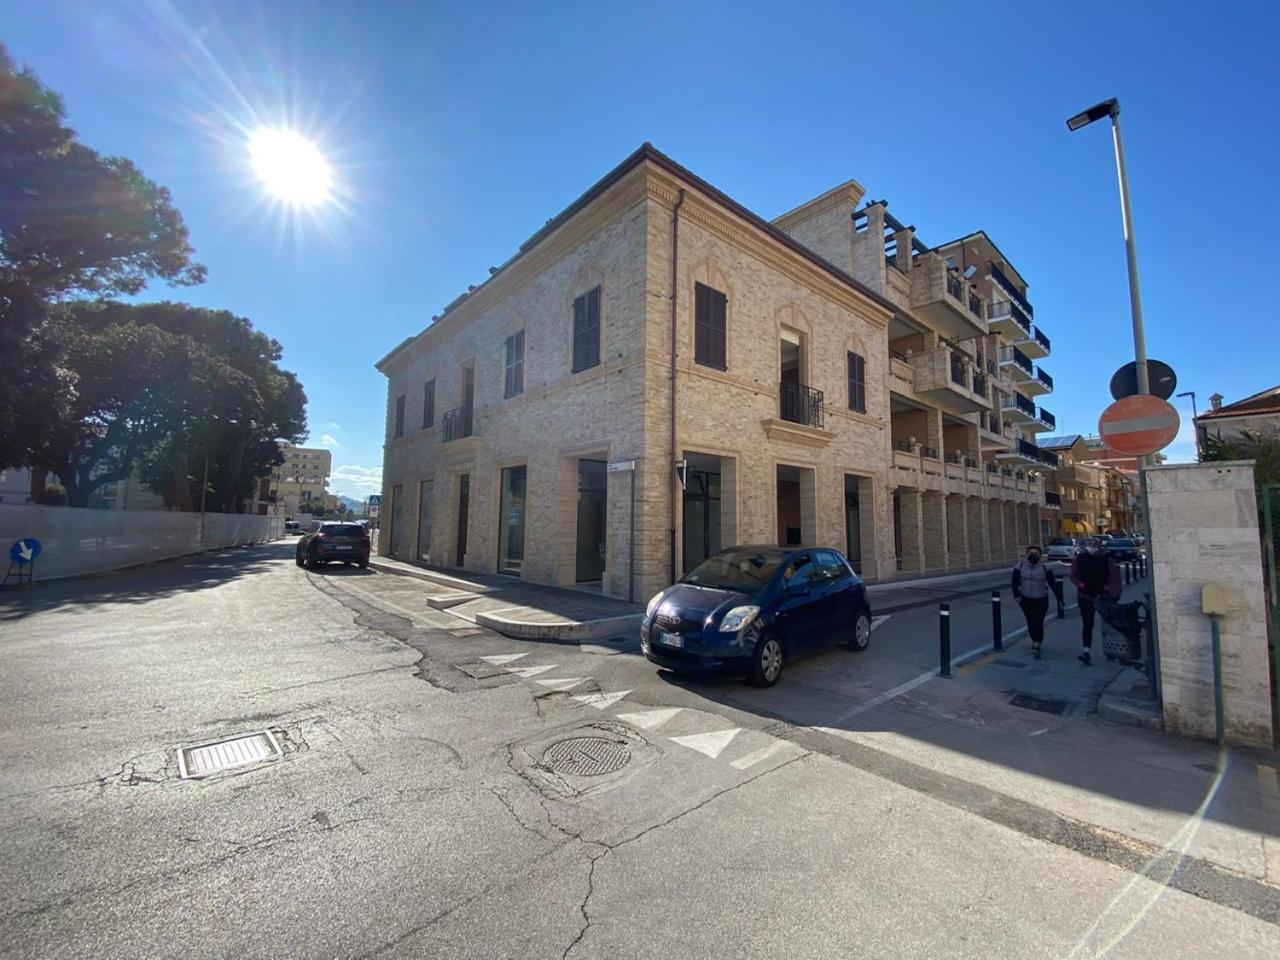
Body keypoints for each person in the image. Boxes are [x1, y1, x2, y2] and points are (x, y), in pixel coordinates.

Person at [1070, 537, 1121, 665]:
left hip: (1102, 595)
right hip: (1085, 595)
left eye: (1094, 545)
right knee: (1087, 624)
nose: (1092, 548)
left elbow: (1114, 576)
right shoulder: (1080, 558)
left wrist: (1111, 590)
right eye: (1090, 545)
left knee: (1107, 623)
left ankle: (1110, 650)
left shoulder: (1105, 559)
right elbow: (1073, 574)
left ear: (1098, 547)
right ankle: (1086, 651)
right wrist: (1080, 584)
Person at [1012, 545, 1061, 659]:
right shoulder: (1020, 566)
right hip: (1025, 598)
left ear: (1040, 555)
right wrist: (1016, 595)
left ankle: (1037, 644)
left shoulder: (1045, 567)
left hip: (1041, 598)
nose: (1033, 555)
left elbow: (1052, 583)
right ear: (1027, 554)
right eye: (1031, 553)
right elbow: (1014, 582)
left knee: (1038, 621)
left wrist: (1059, 598)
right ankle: (1035, 640)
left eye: (1036, 553)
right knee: (1031, 622)